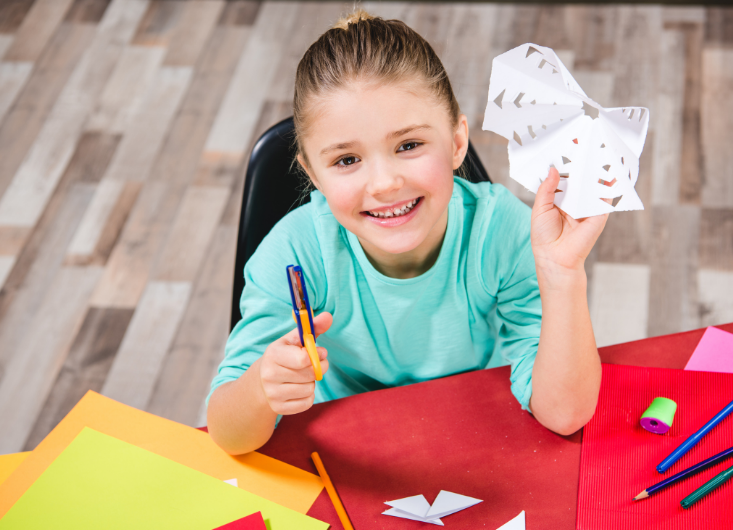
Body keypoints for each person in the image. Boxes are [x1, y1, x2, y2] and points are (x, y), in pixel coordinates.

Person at [207, 9, 607, 455]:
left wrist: (562, 273)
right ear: (313, 174)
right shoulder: (294, 253)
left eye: (409, 146)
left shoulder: (502, 232)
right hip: (347, 452)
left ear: (457, 143)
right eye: (345, 160)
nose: (384, 184)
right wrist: (263, 387)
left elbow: (566, 413)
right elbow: (227, 433)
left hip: (480, 433)